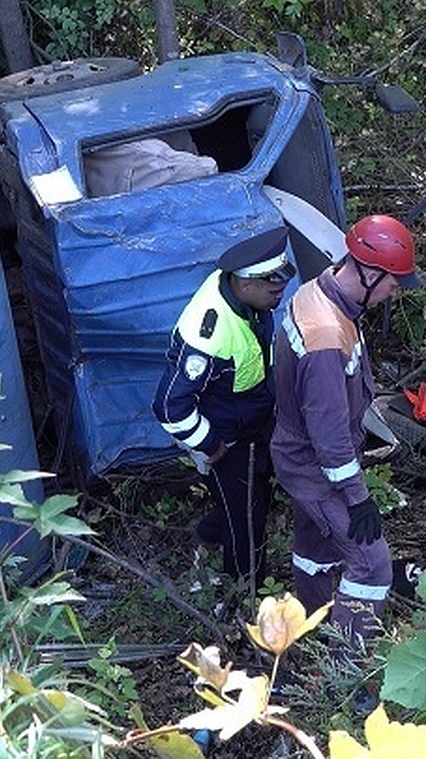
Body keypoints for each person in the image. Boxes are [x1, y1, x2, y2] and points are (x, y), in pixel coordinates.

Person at [270, 214, 422, 652]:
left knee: (315, 547)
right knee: (373, 565)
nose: (397, 291)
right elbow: (329, 435)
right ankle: (343, 672)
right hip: (315, 467)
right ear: (371, 274)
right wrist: (358, 498)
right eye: (394, 282)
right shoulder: (325, 333)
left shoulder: (318, 295)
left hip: (303, 458)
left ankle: (312, 632)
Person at [153, 226, 294, 586]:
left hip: (255, 415)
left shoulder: (244, 291)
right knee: (248, 519)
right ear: (246, 285)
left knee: (256, 492)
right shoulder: (208, 334)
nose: (281, 297)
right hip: (229, 437)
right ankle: (247, 590)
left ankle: (209, 535)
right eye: (274, 291)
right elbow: (170, 406)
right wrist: (210, 444)